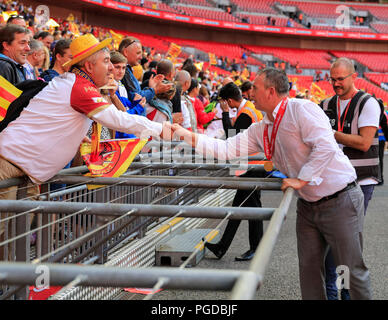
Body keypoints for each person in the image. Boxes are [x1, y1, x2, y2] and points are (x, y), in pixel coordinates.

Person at [172, 67, 372, 300]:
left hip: (340, 199)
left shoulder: (302, 109)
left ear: (270, 91)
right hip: (308, 205)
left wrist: (301, 178)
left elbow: (325, 145)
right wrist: (186, 135)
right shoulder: (261, 128)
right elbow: (225, 150)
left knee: (349, 269)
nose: (250, 93)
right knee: (309, 272)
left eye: (255, 89)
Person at [0, 33, 173, 188]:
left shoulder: (74, 83)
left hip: (21, 167)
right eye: (106, 61)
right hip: (10, 163)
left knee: (20, 219)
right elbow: (119, 120)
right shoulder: (79, 88)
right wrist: (163, 129)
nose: (111, 67)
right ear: (89, 66)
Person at [320, 58, 381, 299]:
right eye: (332, 79)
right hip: (331, 182)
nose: (335, 84)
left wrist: (331, 134)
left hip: (360, 182)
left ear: (354, 76)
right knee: (338, 245)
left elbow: (365, 143)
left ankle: (344, 294)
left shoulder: (368, 103)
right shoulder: (324, 104)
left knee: (343, 246)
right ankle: (340, 293)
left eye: (340, 79)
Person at [205, 82, 264, 261]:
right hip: (254, 163)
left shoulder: (246, 113)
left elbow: (232, 137)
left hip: (252, 165)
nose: (226, 106)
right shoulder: (249, 109)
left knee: (252, 208)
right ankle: (223, 247)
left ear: (229, 100)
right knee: (240, 207)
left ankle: (255, 249)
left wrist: (223, 113)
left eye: (225, 103)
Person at [118, 36, 171, 103]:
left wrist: (149, 86)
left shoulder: (127, 70)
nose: (141, 57)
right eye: (138, 53)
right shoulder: (123, 71)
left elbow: (135, 92)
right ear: (125, 52)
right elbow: (136, 98)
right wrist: (155, 90)